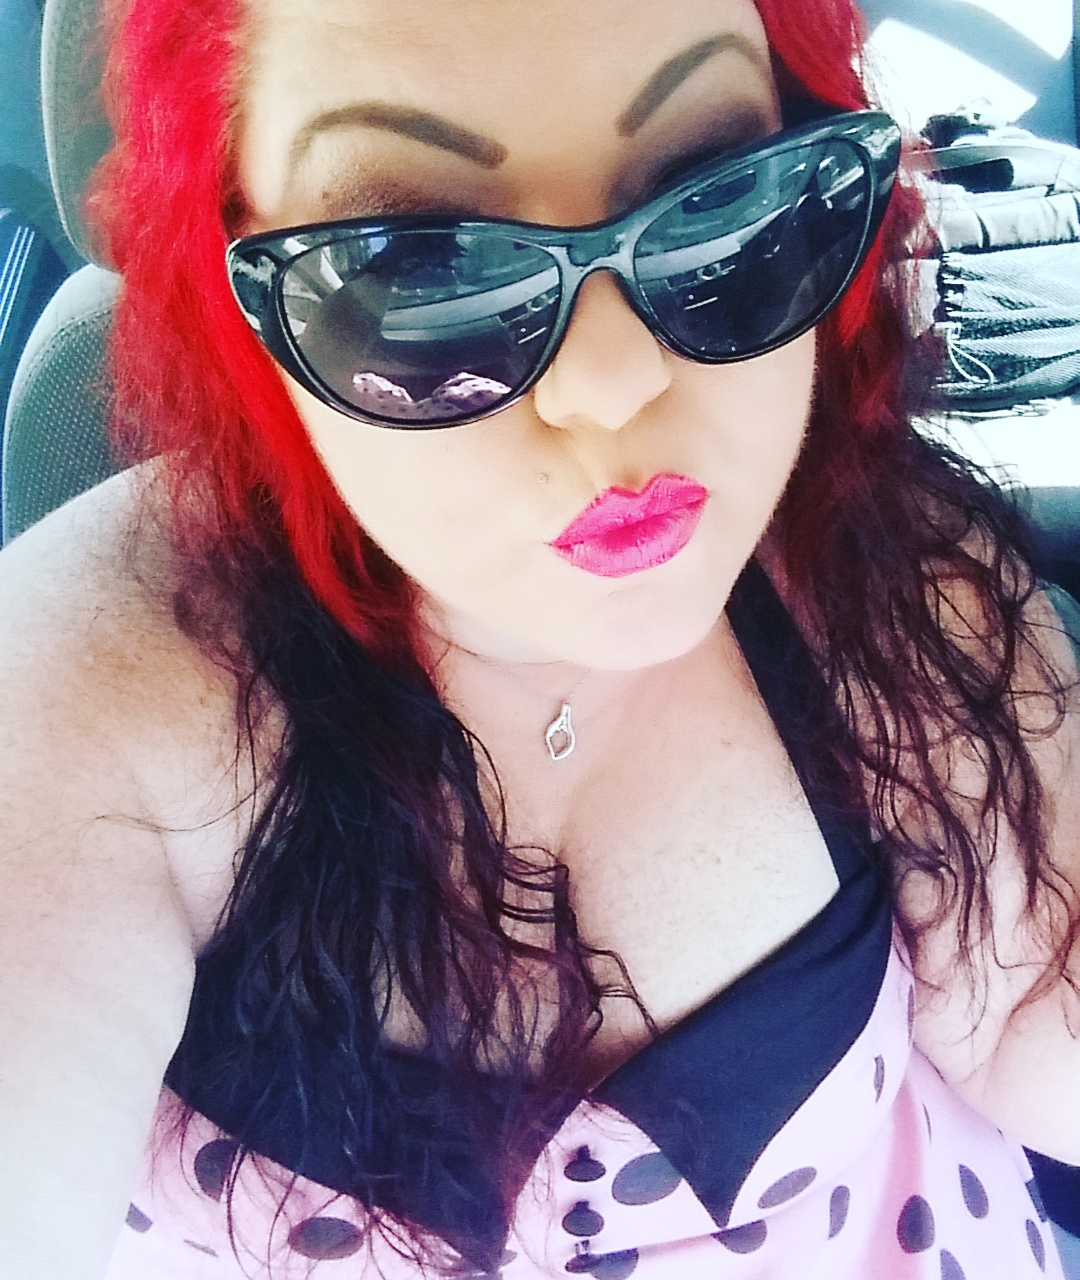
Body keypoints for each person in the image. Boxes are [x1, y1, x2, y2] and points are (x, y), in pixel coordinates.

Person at [2, 0, 1079, 1274]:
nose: (614, 385)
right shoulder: (85, 696)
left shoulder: (885, 573)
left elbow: (1033, 1012)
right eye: (419, 270)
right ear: (236, 280)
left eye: (717, 196)